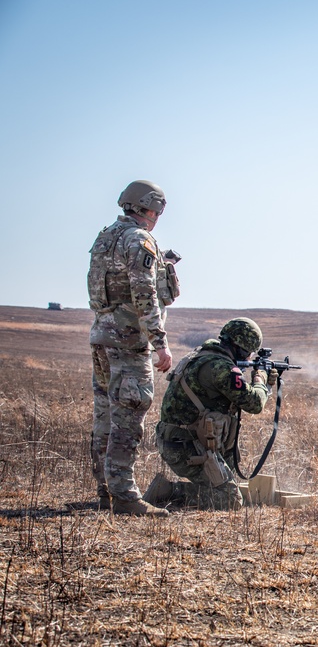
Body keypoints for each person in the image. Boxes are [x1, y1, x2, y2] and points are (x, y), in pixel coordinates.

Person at [88, 180, 180, 516]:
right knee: (127, 418)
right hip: (129, 343)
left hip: (102, 336)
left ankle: (105, 492)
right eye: (158, 210)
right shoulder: (139, 239)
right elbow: (145, 295)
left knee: (105, 418)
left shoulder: (106, 236)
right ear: (150, 207)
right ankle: (124, 496)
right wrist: (161, 344)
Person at [143, 318, 276, 510]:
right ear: (239, 347)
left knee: (228, 471)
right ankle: (169, 491)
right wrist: (261, 379)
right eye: (248, 353)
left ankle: (206, 485)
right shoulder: (221, 367)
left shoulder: (201, 355)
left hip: (178, 440)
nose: (248, 358)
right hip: (186, 446)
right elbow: (254, 404)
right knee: (230, 500)